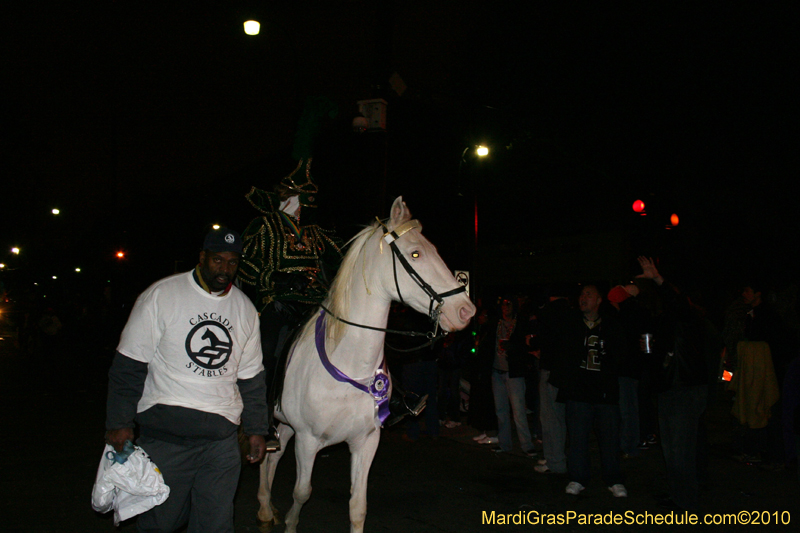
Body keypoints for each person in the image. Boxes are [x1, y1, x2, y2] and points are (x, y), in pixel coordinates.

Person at [105, 227, 268, 533]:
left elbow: (251, 377)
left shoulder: (244, 308)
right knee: (161, 521)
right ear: (203, 257)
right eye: (218, 260)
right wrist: (119, 423)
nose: (225, 269)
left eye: (232, 262)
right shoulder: (162, 295)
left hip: (221, 441)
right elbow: (129, 366)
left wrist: (258, 429)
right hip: (167, 437)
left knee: (216, 523)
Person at [239, 158, 344, 450]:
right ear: (290, 198)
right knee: (269, 354)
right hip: (279, 304)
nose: (306, 208)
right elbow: (244, 266)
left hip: (314, 305)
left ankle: (387, 397)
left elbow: (340, 258)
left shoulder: (314, 233)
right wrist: (275, 282)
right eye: (303, 201)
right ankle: (262, 422)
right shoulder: (263, 226)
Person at [636, 256, 713, 510]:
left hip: (685, 388)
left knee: (680, 451)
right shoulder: (671, 318)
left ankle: (686, 502)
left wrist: (658, 279)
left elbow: (676, 302)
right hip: (670, 388)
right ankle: (678, 495)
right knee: (671, 451)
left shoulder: (688, 314)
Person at [551, 284, 627, 497]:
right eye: (582, 294)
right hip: (578, 392)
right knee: (577, 438)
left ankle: (613, 479)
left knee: (610, 438)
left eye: (589, 294)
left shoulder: (611, 324)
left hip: (605, 393)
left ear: (599, 299)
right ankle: (578, 478)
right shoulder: (572, 322)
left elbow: (621, 354)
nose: (583, 298)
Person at [482, 297, 537, 456]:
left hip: (513, 373)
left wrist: (512, 347)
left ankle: (527, 445)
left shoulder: (520, 324)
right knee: (501, 410)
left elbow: (525, 346)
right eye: (503, 304)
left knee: (519, 411)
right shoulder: (495, 323)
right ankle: (505, 443)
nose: (505, 307)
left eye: (508, 304)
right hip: (497, 372)